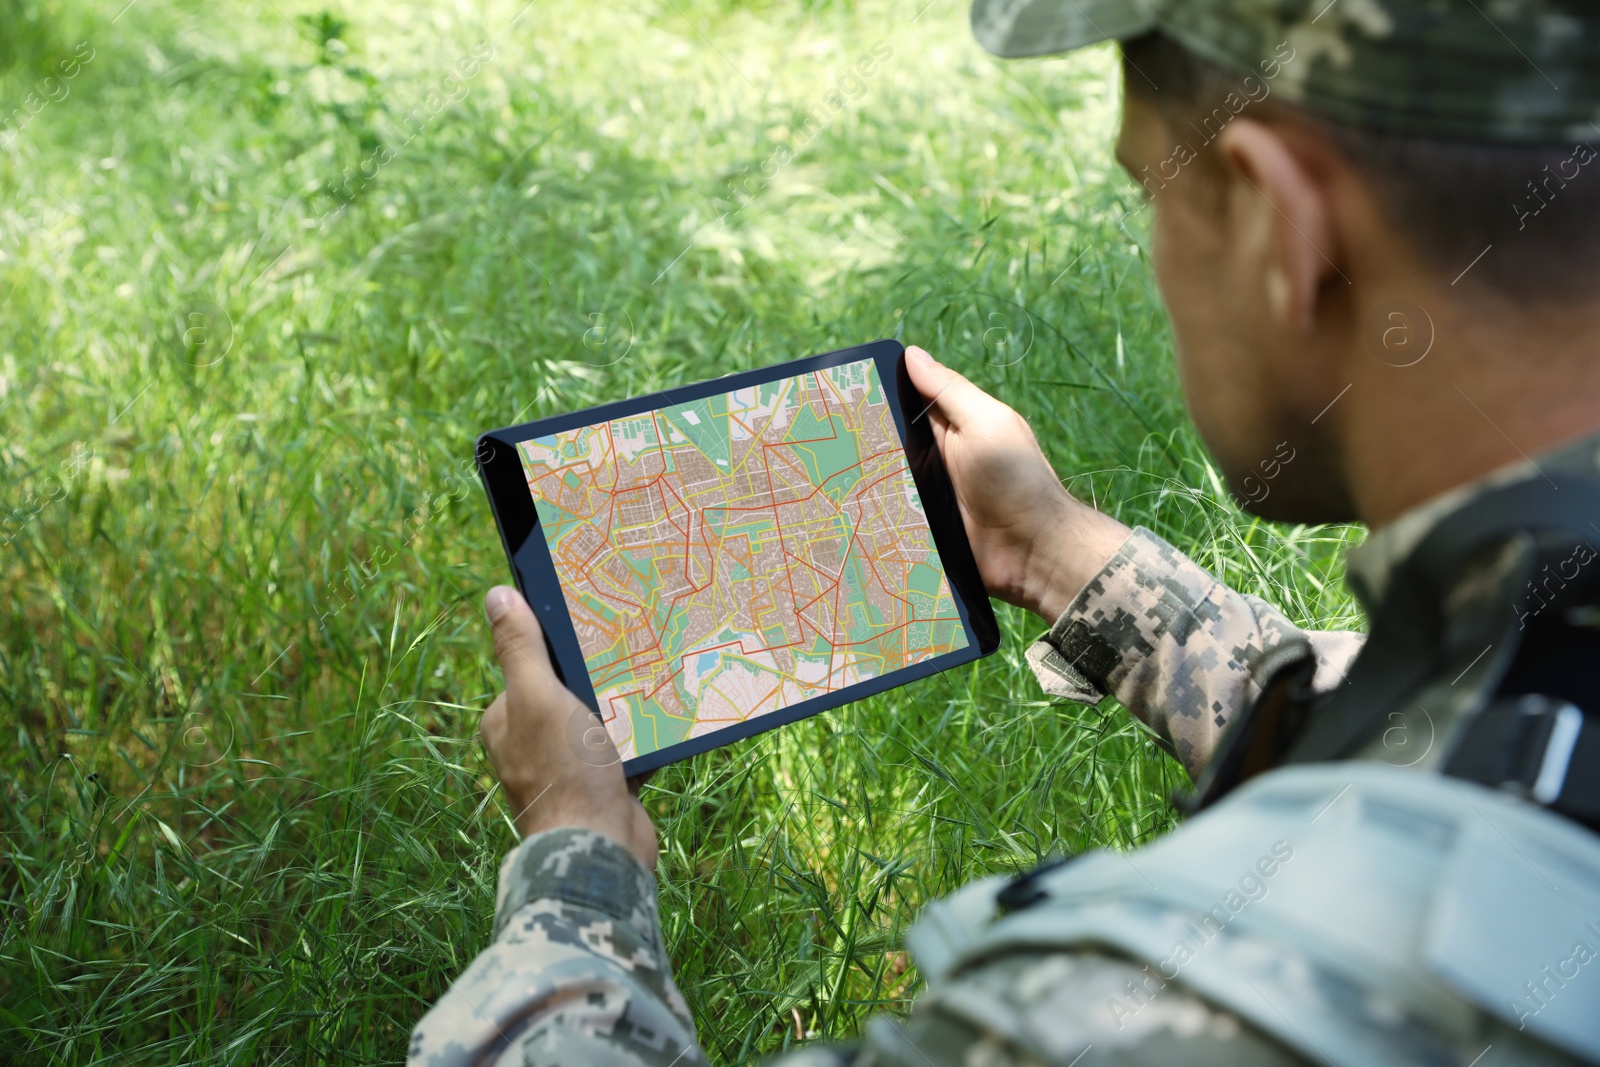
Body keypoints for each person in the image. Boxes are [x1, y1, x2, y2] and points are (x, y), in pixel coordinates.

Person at [410, 0, 1600, 1063]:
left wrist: (577, 852)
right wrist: (1055, 552)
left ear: (1283, 229)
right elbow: (1462, 745)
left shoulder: (1174, 1008)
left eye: (1152, 191)